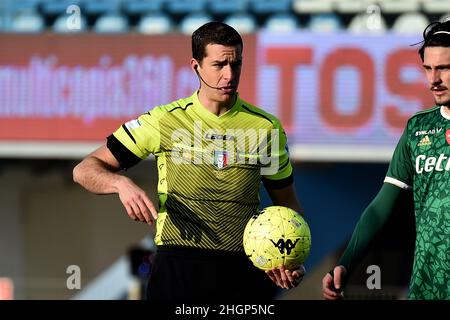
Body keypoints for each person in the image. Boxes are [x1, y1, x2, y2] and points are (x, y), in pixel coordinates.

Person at [73, 21, 305, 301]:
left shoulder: (266, 128)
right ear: (196, 66)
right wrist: (120, 183)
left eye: (237, 64)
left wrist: (290, 258)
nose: (229, 75)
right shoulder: (164, 120)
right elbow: (84, 169)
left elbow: (287, 204)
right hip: (178, 269)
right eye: (219, 65)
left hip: (243, 271)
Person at [322, 20, 450, 300]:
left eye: (444, 68)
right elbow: (382, 206)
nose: (434, 79)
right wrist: (347, 261)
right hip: (428, 287)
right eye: (428, 69)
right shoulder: (419, 129)